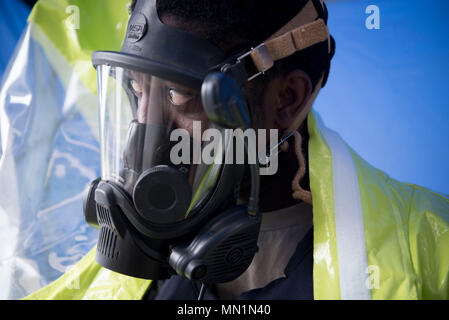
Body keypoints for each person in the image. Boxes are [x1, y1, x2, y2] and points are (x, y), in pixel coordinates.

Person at [24, 0, 449, 300]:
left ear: (286, 100)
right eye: (136, 89)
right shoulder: (95, 289)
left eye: (177, 93)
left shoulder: (431, 256)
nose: (144, 137)